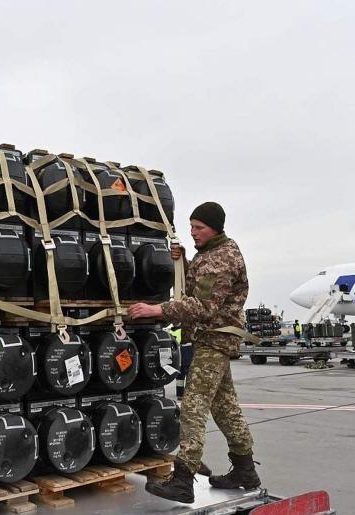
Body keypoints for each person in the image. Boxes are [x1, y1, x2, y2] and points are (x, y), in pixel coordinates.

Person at [128, 201, 260, 504]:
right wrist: (185, 262)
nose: (193, 232)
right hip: (211, 340)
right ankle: (245, 470)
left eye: (199, 227)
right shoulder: (209, 253)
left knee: (193, 407)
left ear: (214, 228)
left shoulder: (222, 258)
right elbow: (201, 287)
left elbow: (204, 305)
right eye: (191, 226)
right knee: (225, 409)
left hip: (214, 340)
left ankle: (183, 479)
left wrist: (157, 309)